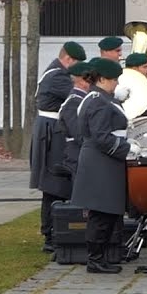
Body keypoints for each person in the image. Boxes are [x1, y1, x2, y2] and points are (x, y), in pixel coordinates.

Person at [71, 58, 138, 273]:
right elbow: (100, 136)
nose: (116, 84)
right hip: (101, 161)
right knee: (101, 213)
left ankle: (103, 256)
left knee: (108, 213)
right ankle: (95, 260)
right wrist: (126, 147)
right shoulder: (98, 101)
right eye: (113, 80)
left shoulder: (101, 98)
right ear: (101, 79)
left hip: (104, 160)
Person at [33, 41, 86, 250]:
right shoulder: (58, 76)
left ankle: (56, 230)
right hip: (52, 132)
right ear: (68, 60)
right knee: (53, 185)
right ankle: (50, 234)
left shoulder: (57, 72)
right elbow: (78, 95)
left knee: (57, 184)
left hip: (54, 129)